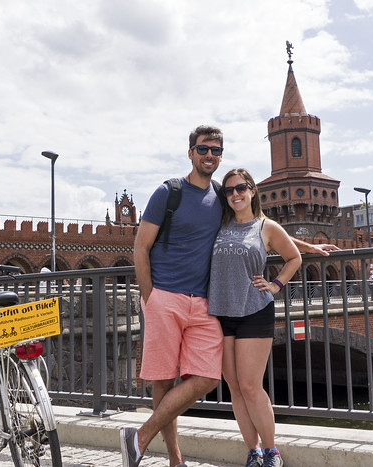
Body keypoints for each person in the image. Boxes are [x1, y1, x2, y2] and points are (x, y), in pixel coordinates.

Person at [122, 125, 337, 467]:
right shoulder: (171, 192)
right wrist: (150, 299)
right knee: (166, 380)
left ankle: (141, 437)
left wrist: (308, 247)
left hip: (209, 305)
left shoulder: (221, 199)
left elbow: (258, 227)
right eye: (203, 149)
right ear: (191, 152)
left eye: (216, 151)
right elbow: (141, 247)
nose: (210, 156)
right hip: (171, 298)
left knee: (208, 378)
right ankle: (175, 460)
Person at [208, 168, 299, 467]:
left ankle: (272, 451)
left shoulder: (266, 226)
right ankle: (253, 451)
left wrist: (275, 285)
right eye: (229, 190)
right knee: (233, 386)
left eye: (241, 188)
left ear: (252, 190)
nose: (235, 194)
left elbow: (294, 257)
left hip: (254, 310)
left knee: (249, 384)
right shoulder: (218, 225)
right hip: (221, 312)